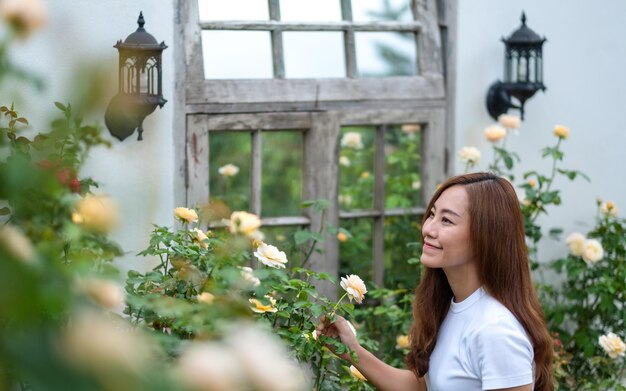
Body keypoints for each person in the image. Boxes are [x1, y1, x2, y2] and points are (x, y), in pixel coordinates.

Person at [317, 172, 554, 391]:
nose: (428, 229)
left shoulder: (496, 331)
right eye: (432, 214)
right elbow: (423, 387)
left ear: (486, 236)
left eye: (447, 221)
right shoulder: (453, 307)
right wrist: (352, 350)